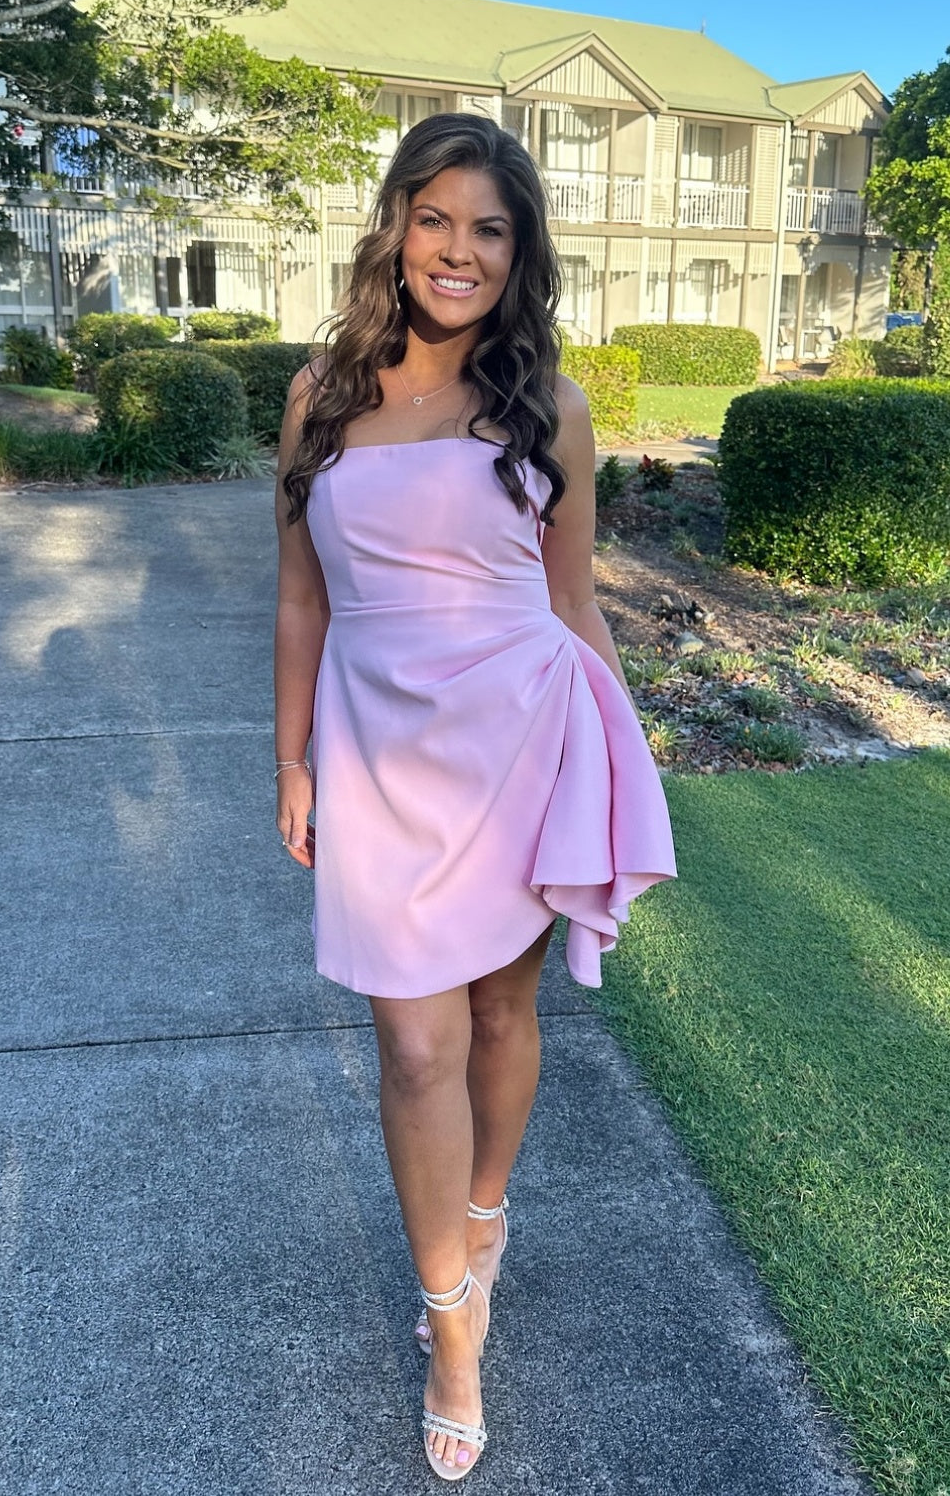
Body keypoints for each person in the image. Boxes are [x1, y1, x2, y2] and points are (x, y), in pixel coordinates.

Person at [274, 112, 676, 1482]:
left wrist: (623, 761)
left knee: (502, 1013)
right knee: (412, 1045)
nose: (459, 250)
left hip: (521, 736)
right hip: (377, 754)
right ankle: (453, 1321)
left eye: (489, 229)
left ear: (519, 252)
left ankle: (483, 1218)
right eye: (436, 219)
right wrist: (291, 757)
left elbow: (574, 601)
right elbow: (302, 596)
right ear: (397, 228)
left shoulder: (546, 402)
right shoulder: (322, 393)